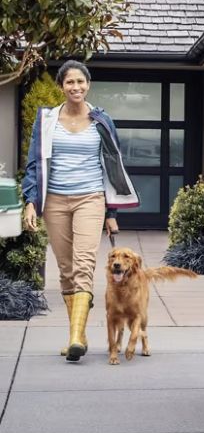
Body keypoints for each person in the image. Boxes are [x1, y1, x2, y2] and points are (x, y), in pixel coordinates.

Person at [21, 61, 138, 361]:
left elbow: (113, 165)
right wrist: (31, 201)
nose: (76, 87)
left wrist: (112, 213)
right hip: (55, 201)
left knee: (84, 263)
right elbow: (34, 162)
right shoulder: (47, 120)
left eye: (81, 82)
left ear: (88, 85)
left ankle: (74, 338)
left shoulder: (101, 120)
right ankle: (79, 334)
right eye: (70, 82)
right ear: (62, 86)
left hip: (90, 198)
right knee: (65, 269)